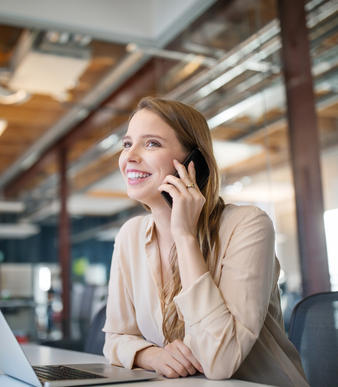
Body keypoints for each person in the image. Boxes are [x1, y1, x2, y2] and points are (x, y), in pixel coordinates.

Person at [102, 97, 308, 387]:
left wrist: (185, 236)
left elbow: (220, 361)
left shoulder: (247, 225)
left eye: (151, 144)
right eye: (127, 144)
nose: (130, 156)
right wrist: (153, 357)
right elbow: (115, 338)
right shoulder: (129, 236)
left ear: (193, 163)